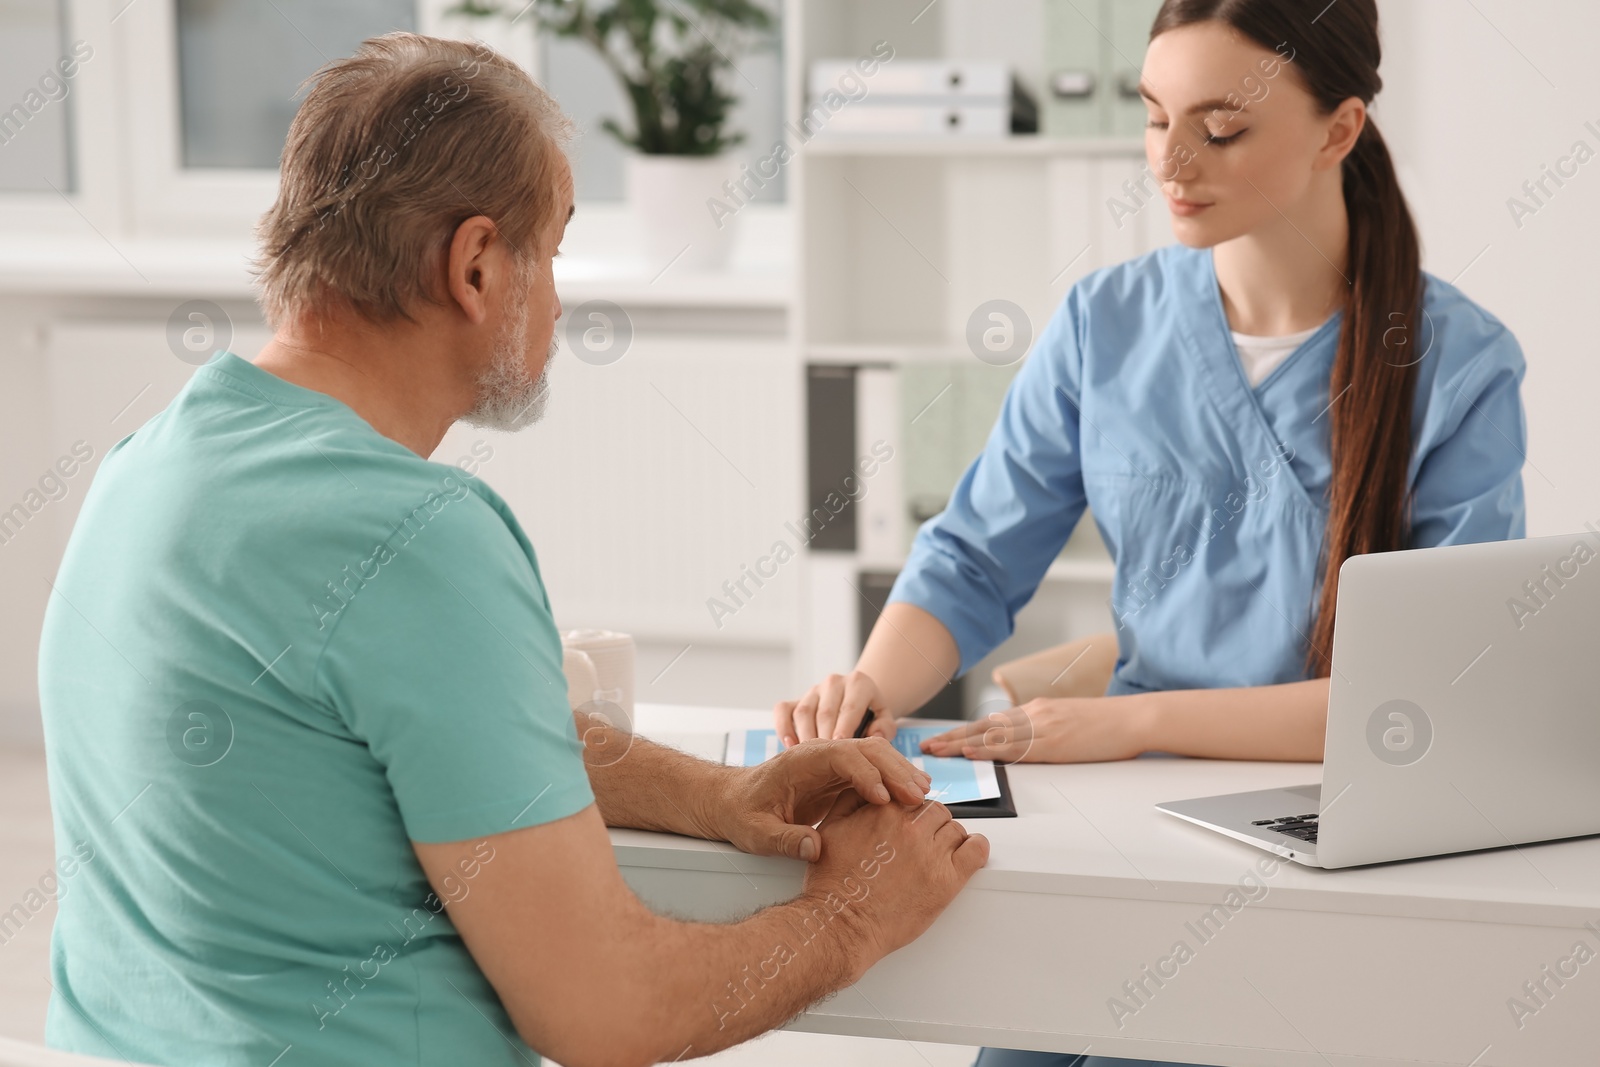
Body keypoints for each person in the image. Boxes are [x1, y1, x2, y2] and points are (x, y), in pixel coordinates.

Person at [38, 33, 988, 1067]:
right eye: (557, 249)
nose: (563, 301)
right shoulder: (414, 533)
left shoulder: (146, 463)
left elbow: (425, 736)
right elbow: (607, 1010)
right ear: (478, 265)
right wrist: (850, 916)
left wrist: (716, 795)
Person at [778, 2, 1525, 1061]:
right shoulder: (1105, 323)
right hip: (1124, 817)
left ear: (1338, 131)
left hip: (1331, 838)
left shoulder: (1459, 363)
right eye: (1151, 117)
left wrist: (1133, 720)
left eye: (1219, 129)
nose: (1171, 162)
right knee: (1019, 1031)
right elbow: (974, 555)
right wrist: (870, 692)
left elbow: (1429, 698)